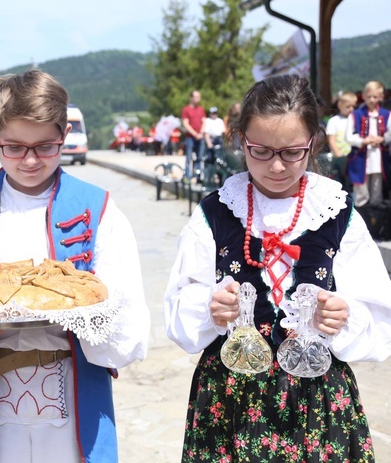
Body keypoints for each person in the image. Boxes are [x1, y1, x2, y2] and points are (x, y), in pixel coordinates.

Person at [0, 69, 150, 463]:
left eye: (45, 147)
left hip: (74, 394)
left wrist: (87, 319)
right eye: (14, 147)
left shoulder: (98, 210)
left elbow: (127, 313)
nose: (29, 160)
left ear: (64, 134)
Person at [164, 74, 391, 462]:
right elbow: (179, 303)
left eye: (292, 152)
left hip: (318, 398)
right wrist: (209, 306)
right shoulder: (215, 214)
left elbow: (378, 311)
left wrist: (344, 312)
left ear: (313, 143)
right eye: (261, 151)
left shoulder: (337, 214)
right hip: (231, 398)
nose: (277, 166)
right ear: (240, 140)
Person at [346, 80, 391, 207]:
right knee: (361, 188)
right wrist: (363, 141)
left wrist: (382, 139)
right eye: (369, 96)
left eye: (375, 97)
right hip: (360, 156)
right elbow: (348, 137)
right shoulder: (355, 114)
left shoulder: (386, 114)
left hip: (378, 155)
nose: (372, 100)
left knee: (377, 185)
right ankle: (361, 211)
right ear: (364, 96)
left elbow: (390, 133)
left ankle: (376, 216)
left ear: (381, 97)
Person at [326, 91, 357, 192]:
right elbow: (331, 140)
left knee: (351, 183)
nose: (351, 109)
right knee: (340, 183)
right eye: (348, 106)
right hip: (339, 157)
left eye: (353, 106)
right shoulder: (334, 121)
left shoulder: (355, 120)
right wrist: (338, 154)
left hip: (353, 157)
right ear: (340, 105)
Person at [181, 90, 207, 179]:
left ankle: (198, 176)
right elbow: (185, 124)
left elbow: (204, 122)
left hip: (200, 137)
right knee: (189, 158)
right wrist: (195, 134)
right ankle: (187, 176)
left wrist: (200, 133)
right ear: (191, 98)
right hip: (190, 137)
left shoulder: (201, 109)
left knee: (199, 158)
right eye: (196, 97)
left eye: (199, 97)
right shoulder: (186, 110)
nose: (198, 99)